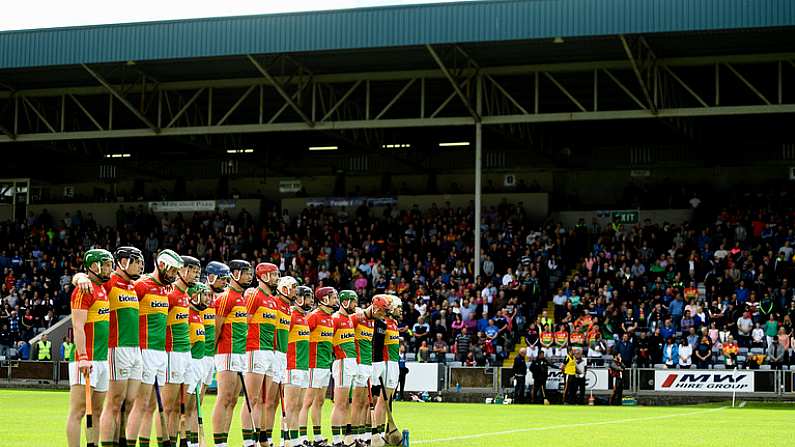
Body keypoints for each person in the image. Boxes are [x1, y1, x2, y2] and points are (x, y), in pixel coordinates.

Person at [72, 246, 144, 447]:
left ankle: (123, 441)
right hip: (115, 348)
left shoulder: (134, 285)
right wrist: (81, 278)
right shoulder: (109, 281)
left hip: (135, 349)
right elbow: (81, 276)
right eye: (136, 262)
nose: (139, 266)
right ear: (122, 263)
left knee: (130, 402)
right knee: (115, 401)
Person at [128, 249, 184, 447]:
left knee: (151, 405)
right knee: (140, 404)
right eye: (172, 271)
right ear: (161, 266)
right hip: (144, 350)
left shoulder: (166, 289)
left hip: (160, 352)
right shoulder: (141, 285)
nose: (174, 275)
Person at [66, 249, 112, 447]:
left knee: (98, 411)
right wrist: (83, 356)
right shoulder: (82, 290)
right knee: (78, 411)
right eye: (107, 264)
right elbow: (77, 325)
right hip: (85, 359)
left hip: (102, 359)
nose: (111, 269)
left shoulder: (103, 288)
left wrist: (78, 276)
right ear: (94, 266)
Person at [161, 255, 201, 447]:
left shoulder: (186, 296)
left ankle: (178, 441)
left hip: (186, 354)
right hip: (172, 353)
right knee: (168, 406)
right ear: (180, 270)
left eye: (196, 271)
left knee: (180, 406)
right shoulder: (170, 293)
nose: (195, 274)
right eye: (192, 270)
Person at [212, 260, 252, 447]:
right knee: (224, 397)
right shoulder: (225, 297)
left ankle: (224, 441)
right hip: (226, 352)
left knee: (233, 400)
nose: (249, 276)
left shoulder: (242, 298)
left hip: (239, 353)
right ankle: (218, 443)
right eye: (245, 273)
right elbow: (216, 328)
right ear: (235, 274)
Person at [241, 262, 280, 447]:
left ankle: (260, 439)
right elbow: (244, 323)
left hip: (268, 352)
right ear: (263, 276)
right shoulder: (253, 295)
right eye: (273, 275)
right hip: (254, 350)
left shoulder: (272, 300)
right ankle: (248, 441)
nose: (277, 278)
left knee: (264, 399)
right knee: (252, 398)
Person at [298, 286, 337, 447]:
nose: (336, 300)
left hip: (324, 364)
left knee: (319, 401)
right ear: (325, 299)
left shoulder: (330, 318)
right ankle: (301, 437)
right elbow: (301, 337)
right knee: (306, 402)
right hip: (313, 365)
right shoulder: (313, 317)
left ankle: (318, 436)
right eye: (333, 297)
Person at [181, 282, 211, 447]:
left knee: (194, 406)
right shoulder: (187, 314)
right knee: (186, 407)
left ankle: (193, 442)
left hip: (199, 363)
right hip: (190, 362)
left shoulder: (198, 315)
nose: (207, 298)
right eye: (203, 294)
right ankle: (184, 440)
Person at [284, 285, 314, 447]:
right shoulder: (291, 316)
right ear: (299, 298)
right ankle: (286, 440)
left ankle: (295, 441)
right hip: (292, 365)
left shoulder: (303, 317)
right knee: (291, 405)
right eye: (308, 297)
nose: (311, 301)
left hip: (303, 367)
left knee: (298, 406)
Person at [330, 290, 359, 447]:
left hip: (351, 362)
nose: (355, 305)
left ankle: (347, 438)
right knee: (339, 403)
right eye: (353, 301)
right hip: (341, 362)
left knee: (347, 402)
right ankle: (336, 440)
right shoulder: (335, 319)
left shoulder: (349, 319)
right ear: (345, 302)